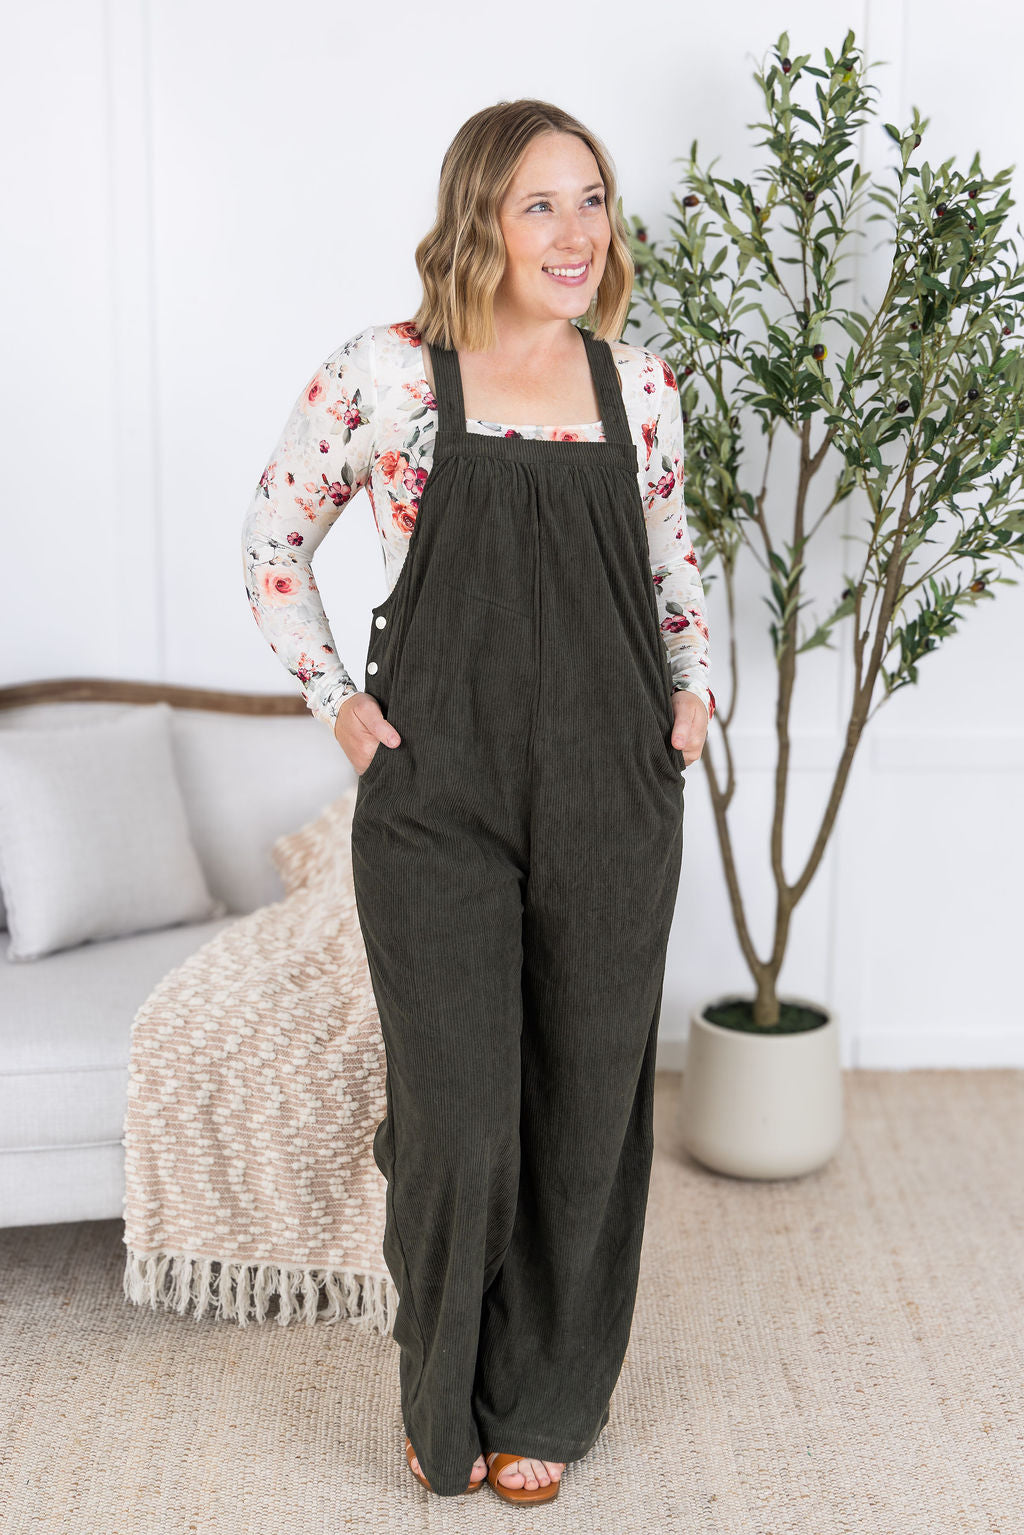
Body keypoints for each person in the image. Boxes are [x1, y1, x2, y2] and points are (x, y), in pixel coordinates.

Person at [241, 97, 715, 1505]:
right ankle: (442, 1386)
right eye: (539, 205)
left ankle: (545, 1400)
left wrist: (695, 691)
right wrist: (336, 698)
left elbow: (672, 555)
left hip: (613, 786)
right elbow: (273, 541)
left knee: (587, 1105)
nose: (577, 234)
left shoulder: (638, 386)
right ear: (479, 222)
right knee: (458, 1115)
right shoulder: (385, 376)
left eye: (593, 200)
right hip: (436, 791)